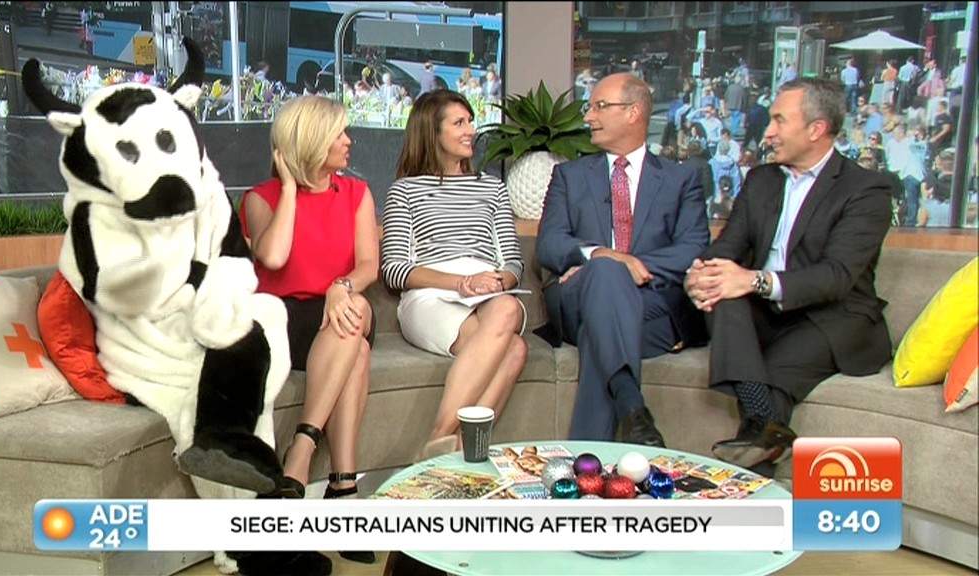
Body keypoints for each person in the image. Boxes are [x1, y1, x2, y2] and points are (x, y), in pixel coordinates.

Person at [684, 77, 893, 476]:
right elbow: (728, 247)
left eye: (779, 120)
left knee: (774, 372)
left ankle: (756, 451)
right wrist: (701, 275)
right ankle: (766, 431)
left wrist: (754, 280)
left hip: (833, 316)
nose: (768, 132)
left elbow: (836, 276)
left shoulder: (866, 190)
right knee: (724, 293)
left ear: (816, 129)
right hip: (766, 313)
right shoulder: (762, 179)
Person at [535, 73, 710, 445]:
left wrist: (627, 266)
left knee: (602, 322)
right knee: (604, 271)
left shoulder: (681, 180)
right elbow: (549, 243)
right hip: (577, 297)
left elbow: (693, 247)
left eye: (600, 106)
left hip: (651, 305)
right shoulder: (569, 176)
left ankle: (599, 452)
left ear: (633, 113)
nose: (589, 117)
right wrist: (603, 256)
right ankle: (632, 406)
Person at [240, 95, 378, 564]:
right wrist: (290, 189)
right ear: (313, 142)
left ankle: (300, 453)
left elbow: (369, 265)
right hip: (283, 322)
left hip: (340, 305)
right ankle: (344, 489)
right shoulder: (261, 198)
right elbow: (274, 257)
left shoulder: (357, 193)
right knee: (357, 350)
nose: (349, 141)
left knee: (353, 311)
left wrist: (341, 286)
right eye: (339, 134)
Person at [381, 89, 528, 459]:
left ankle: (442, 446)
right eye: (459, 123)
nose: (470, 131)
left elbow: (513, 263)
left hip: (488, 293)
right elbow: (395, 270)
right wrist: (460, 284)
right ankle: (453, 445)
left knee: (508, 310)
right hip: (430, 294)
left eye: (470, 122)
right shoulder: (405, 191)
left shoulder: (492, 188)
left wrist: (498, 281)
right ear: (432, 131)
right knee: (514, 349)